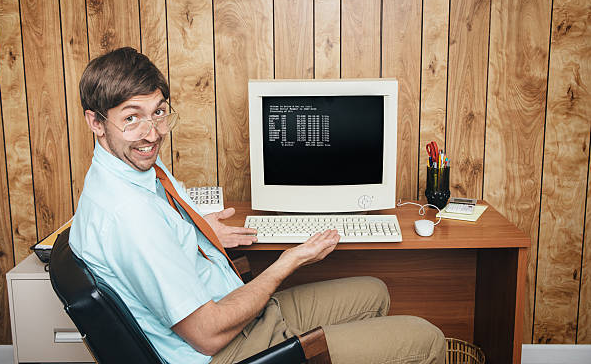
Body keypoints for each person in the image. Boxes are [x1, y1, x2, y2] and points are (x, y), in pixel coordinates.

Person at [70, 47, 446, 364]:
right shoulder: (128, 215)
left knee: (375, 291)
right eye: (131, 117)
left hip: (237, 307)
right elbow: (207, 335)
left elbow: (165, 225)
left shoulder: (130, 166)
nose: (152, 133)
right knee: (426, 338)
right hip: (230, 349)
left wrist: (198, 229)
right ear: (96, 122)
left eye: (158, 111)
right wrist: (287, 262)